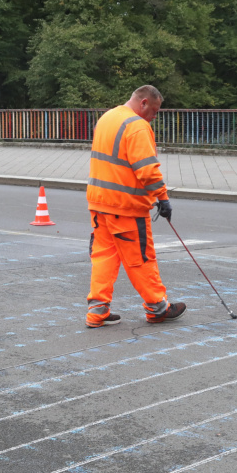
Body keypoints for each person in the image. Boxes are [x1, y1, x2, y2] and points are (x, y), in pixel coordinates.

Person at [85, 85, 185, 328]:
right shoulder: (137, 126)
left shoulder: (107, 118)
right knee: (141, 258)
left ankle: (97, 311)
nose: (154, 116)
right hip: (125, 206)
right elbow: (147, 169)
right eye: (154, 110)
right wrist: (162, 198)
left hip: (100, 203)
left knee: (104, 257)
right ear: (143, 103)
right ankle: (157, 307)